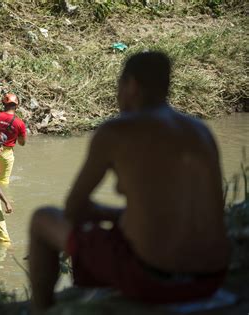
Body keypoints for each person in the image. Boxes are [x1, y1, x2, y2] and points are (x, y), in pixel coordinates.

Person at [28, 51, 230, 311]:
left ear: (131, 85)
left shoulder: (117, 130)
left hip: (153, 279)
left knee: (42, 218)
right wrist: (124, 215)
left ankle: (39, 310)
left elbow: (73, 209)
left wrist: (105, 213)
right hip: (212, 278)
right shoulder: (200, 130)